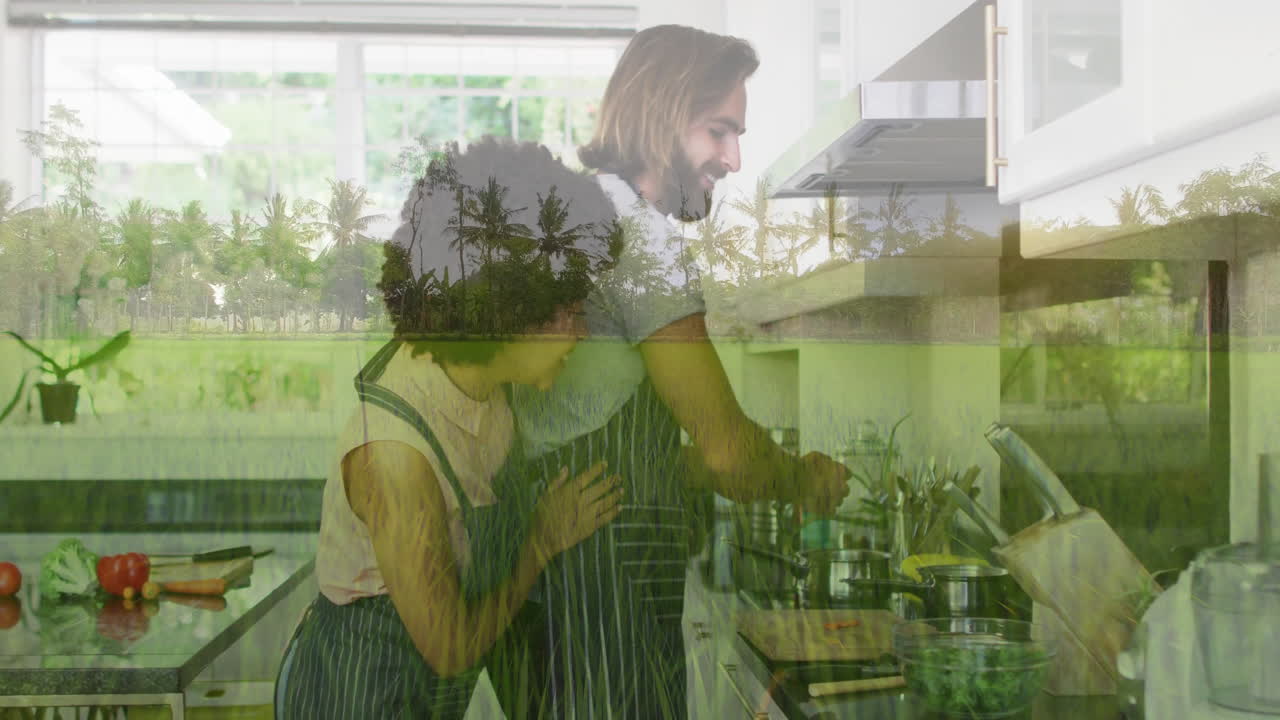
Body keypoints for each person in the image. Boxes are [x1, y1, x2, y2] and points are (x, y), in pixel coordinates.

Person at [491, 24, 853, 719]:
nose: (735, 158)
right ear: (663, 115)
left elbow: (602, 437)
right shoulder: (638, 235)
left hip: (561, 592)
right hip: (597, 591)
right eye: (719, 131)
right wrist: (799, 479)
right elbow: (724, 450)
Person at [274, 138, 626, 720]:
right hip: (355, 698)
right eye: (571, 310)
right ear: (512, 311)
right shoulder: (394, 457)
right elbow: (451, 647)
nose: (583, 332)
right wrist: (540, 542)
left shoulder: (487, 382)